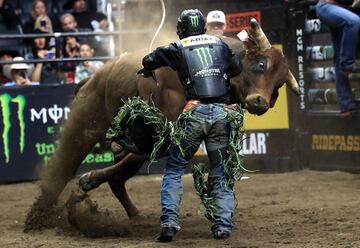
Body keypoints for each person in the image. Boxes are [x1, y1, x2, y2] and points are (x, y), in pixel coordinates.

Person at [137, 9, 242, 242]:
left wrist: (148, 68)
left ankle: (170, 222)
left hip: (194, 115)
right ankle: (222, 225)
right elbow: (236, 68)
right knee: (220, 170)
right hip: (221, 115)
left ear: (182, 28)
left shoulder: (177, 47)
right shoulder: (220, 44)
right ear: (203, 27)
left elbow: (149, 59)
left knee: (174, 168)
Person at [316, 0, 360, 117]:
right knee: (353, 21)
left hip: (339, 10)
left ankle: (346, 105)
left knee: (338, 56)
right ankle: (347, 63)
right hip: (327, 6)